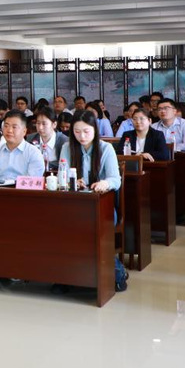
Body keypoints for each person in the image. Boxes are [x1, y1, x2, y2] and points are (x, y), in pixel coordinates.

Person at [58, 109, 127, 292]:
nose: (81, 136)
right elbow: (61, 177)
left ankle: (117, 272)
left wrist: (104, 183)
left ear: (95, 130)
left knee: (92, 232)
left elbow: (115, 180)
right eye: (77, 131)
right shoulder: (67, 147)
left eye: (86, 131)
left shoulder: (105, 148)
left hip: (102, 207)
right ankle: (66, 276)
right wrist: (73, 181)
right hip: (75, 206)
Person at [0, 110, 44, 181]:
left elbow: (32, 182)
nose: (9, 130)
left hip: (21, 188)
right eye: (6, 126)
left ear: (24, 131)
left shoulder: (34, 153)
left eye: (14, 127)